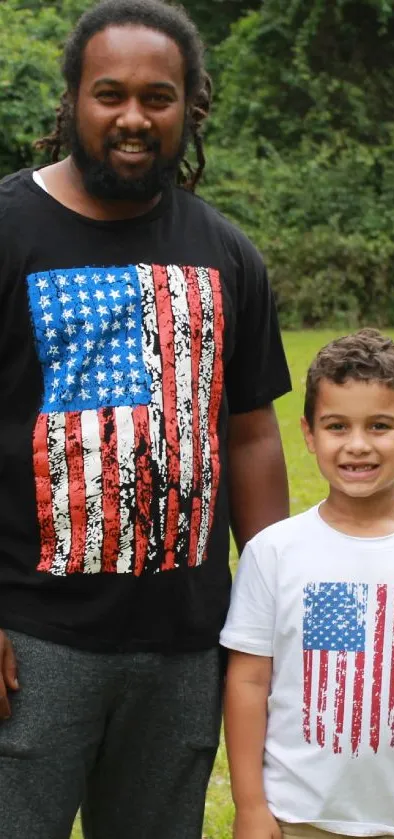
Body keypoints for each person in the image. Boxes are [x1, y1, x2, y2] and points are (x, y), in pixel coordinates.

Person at [0, 1, 291, 838]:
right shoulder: (8, 230)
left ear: (190, 106)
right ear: (73, 101)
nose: (133, 117)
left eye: (157, 97)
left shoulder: (227, 253)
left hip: (184, 645)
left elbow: (249, 432)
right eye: (109, 94)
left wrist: (274, 607)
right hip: (32, 641)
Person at [220, 328, 394, 839]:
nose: (358, 445)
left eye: (381, 425)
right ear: (308, 434)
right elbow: (249, 683)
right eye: (337, 426)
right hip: (299, 816)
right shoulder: (275, 553)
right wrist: (251, 806)